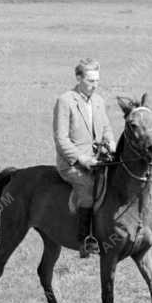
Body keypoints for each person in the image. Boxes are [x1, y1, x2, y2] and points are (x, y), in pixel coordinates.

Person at [54, 58, 115, 258]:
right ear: (78, 78)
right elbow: (61, 139)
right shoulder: (65, 101)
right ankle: (86, 239)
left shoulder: (98, 101)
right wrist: (82, 159)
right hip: (73, 165)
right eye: (90, 81)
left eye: (97, 81)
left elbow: (106, 129)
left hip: (98, 160)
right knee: (88, 187)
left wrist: (112, 146)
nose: (94, 85)